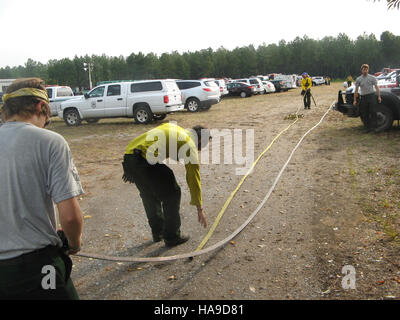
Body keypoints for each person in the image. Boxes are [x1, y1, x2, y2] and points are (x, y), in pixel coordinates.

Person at [0, 78, 84, 300]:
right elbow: (70, 217)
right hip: (36, 266)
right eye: (47, 118)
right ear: (40, 106)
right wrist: (74, 243)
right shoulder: (50, 142)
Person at [122, 122, 209, 247]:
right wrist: (199, 208)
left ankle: (158, 232)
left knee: (149, 195)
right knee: (173, 193)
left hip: (129, 157)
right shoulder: (189, 143)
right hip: (144, 160)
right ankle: (172, 236)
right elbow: (193, 177)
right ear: (199, 139)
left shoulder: (177, 130)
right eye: (200, 147)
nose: (198, 150)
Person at [353, 64, 382, 133]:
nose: (365, 71)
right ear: (361, 70)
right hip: (363, 97)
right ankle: (367, 128)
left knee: (373, 112)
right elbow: (356, 90)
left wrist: (379, 96)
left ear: (368, 70)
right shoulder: (358, 79)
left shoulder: (372, 78)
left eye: (366, 69)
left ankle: (374, 128)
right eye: (363, 69)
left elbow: (376, 87)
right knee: (364, 113)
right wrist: (354, 100)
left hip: (371, 96)